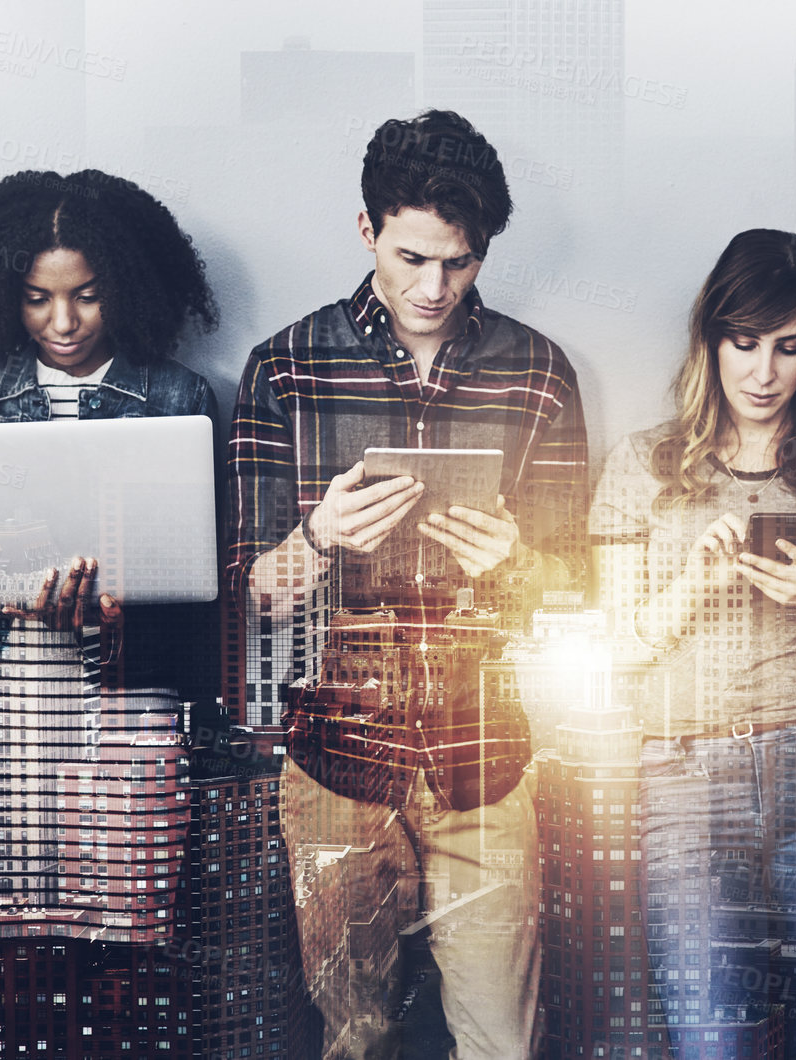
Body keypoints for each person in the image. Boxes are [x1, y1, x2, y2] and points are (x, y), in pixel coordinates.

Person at [227, 109, 589, 1059]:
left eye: (460, 264)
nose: (435, 288)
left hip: (487, 753)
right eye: (414, 258)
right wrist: (316, 537)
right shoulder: (286, 369)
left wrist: (514, 563)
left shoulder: (538, 374)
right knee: (355, 1041)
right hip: (336, 761)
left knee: (502, 1045)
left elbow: (573, 592)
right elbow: (247, 594)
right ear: (367, 231)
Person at [589, 229, 796, 1058]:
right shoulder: (642, 466)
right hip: (688, 778)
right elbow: (618, 650)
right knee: (712, 1043)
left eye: (788, 347)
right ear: (711, 341)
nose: (764, 373)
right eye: (744, 344)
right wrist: (694, 587)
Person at [0, 168, 221, 696]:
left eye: (87, 296)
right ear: (4, 295)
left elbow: (206, 603)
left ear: (127, 287)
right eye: (37, 298)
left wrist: (112, 623)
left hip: (132, 693)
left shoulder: (180, 399)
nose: (63, 323)